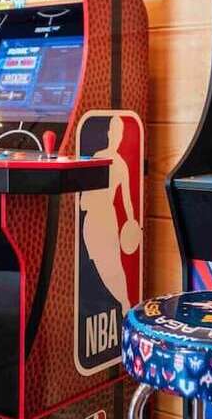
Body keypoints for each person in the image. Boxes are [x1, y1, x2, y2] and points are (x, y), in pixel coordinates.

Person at [80, 116, 141, 313]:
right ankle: (120, 304)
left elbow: (127, 199)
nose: (117, 137)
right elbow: (87, 190)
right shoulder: (99, 156)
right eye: (114, 132)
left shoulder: (121, 164)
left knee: (112, 266)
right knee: (96, 264)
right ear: (109, 134)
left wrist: (132, 222)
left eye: (120, 133)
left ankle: (124, 305)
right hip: (90, 217)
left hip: (106, 217)